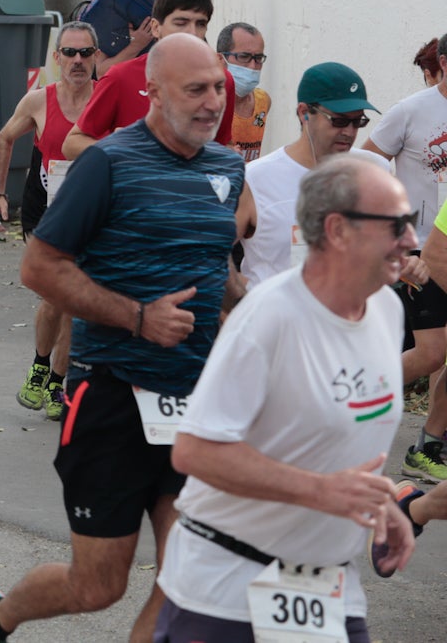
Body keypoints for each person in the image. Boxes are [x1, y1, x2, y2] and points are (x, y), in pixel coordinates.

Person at [0, 34, 249, 643]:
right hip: (112, 394)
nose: (213, 102)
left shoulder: (227, 166)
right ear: (154, 94)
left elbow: (218, 270)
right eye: (196, 89)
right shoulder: (109, 163)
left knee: (189, 575)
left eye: (218, 87)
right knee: (98, 584)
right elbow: (40, 268)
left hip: (195, 403)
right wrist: (138, 317)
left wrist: (279, 321)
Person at [154, 154, 414, 641]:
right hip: (227, 592)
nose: (412, 241)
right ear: (337, 230)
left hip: (325, 589)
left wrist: (381, 505)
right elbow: (196, 450)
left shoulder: (385, 311)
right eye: (395, 225)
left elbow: (335, 438)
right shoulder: (269, 318)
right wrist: (321, 492)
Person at [0, 21, 98, 421]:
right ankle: (40, 366)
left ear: (96, 56)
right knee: (58, 296)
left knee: (72, 304)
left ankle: (55, 380)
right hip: (44, 213)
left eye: (86, 52)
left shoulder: (107, 100)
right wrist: (0, 195)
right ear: (57, 58)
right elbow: (4, 138)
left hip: (90, 214)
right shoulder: (38, 101)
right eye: (70, 53)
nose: (78, 60)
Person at [361, 30, 447, 483]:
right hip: (421, 249)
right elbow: (368, 165)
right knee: (431, 353)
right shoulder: (413, 111)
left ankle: (430, 443)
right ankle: (351, 400)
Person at [239, 63, 382, 290]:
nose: (350, 132)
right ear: (304, 113)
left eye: (358, 122)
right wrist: (243, 306)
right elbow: (212, 257)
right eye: (339, 121)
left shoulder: (374, 171)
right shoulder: (254, 179)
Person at [62, 0, 235, 158]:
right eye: (180, 22)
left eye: (200, 24)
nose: (192, 32)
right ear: (155, 28)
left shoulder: (223, 82)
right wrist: (119, 148)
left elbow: (222, 145)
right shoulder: (121, 77)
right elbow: (72, 144)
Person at [218, 22, 271, 162]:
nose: (253, 66)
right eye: (244, 57)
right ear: (220, 60)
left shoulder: (263, 100)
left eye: (258, 58)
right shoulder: (208, 106)